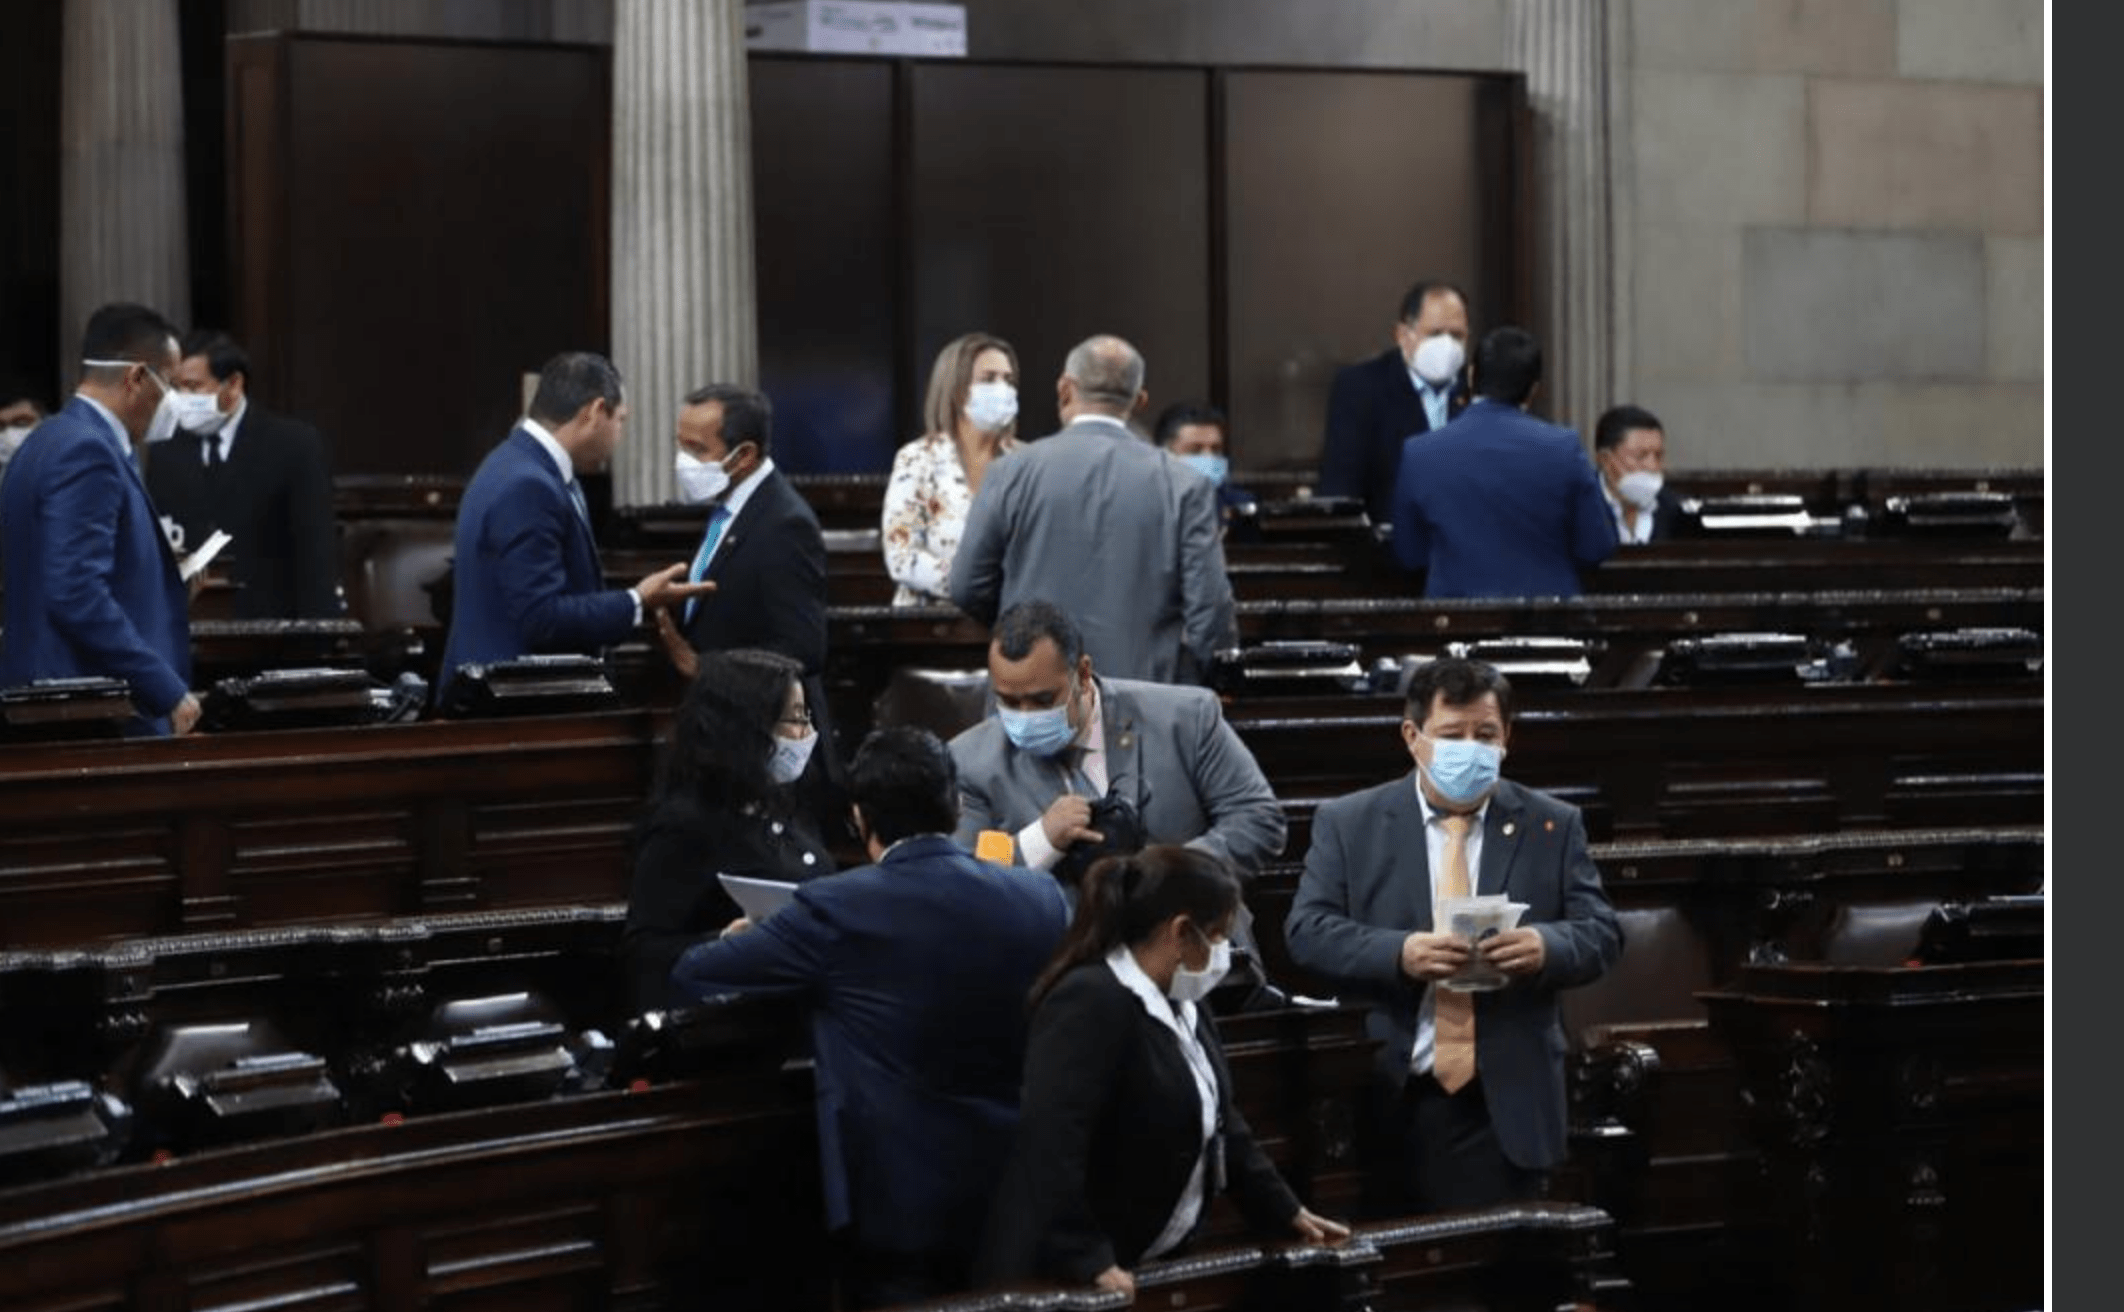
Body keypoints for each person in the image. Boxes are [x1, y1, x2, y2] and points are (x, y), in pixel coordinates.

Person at [668, 725, 1070, 1309]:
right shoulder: (1038, 897)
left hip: (900, 1200)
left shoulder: (834, 906)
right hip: (1016, 1186)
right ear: (955, 803)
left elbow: (695, 972)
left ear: (859, 818)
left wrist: (751, 934)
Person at [1282, 656, 1622, 1215]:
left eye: (1485, 734)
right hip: (1389, 1092)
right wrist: (1400, 952)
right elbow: (1307, 931)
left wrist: (1547, 947)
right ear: (1413, 736)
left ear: (1508, 737)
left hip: (1504, 1100)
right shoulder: (1351, 822)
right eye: (1452, 734)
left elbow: (1602, 934)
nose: (1471, 747)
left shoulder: (1552, 824)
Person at [975, 845, 1349, 1297]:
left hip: (1145, 1260)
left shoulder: (1185, 1000)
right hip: (1064, 1275)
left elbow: (1222, 1120)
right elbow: (1052, 1141)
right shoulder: (1089, 1000)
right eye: (1218, 935)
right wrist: (1087, 1257)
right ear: (1180, 932)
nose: (1224, 953)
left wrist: (1286, 1210)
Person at [950, 334, 1236, 686]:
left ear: (1065, 389)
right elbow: (1209, 609)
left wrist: (1022, 625)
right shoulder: (1183, 484)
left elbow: (967, 586)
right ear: (1140, 400)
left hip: (1035, 693)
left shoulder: (1009, 472)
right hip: (1146, 697)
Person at [947, 599, 1284, 887]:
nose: (1024, 715)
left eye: (1043, 700)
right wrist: (1040, 839)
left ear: (1082, 673)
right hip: (1061, 953)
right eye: (1007, 701)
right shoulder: (971, 760)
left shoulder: (1186, 719)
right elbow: (969, 862)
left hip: (1183, 934)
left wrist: (1165, 875)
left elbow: (1256, 818)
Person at [437, 351, 709, 705]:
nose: (620, 434)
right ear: (596, 412)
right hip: (511, 709)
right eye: (621, 420)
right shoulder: (528, 484)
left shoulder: (516, 463)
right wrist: (636, 600)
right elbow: (541, 618)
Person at [0, 302, 200, 736]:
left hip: (56, 702)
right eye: (170, 382)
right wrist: (165, 688)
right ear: (135, 378)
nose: (177, 403)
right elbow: (75, 591)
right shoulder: (87, 451)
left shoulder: (47, 438)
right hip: (88, 713)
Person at [622, 647, 838, 1015]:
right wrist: (724, 941)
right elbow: (642, 953)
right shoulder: (685, 825)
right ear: (748, 727)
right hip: (734, 1017)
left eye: (808, 717)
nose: (808, 733)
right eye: (796, 719)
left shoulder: (786, 803)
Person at [1388, 326, 1620, 598]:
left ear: (1472, 375)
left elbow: (1409, 554)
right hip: (1547, 624)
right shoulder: (1563, 448)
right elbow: (1597, 546)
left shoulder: (1420, 453)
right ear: (1534, 389)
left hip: (1455, 623)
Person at [145, 330, 344, 619]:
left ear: (234, 384)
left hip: (271, 630)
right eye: (175, 388)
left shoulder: (293, 446)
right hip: (193, 629)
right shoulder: (166, 451)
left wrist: (320, 642)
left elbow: (316, 558)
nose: (180, 400)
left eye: (193, 387)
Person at [881, 332, 1024, 607]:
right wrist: (976, 584)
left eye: (1008, 380)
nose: (1002, 388)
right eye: (988, 379)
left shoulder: (1026, 461)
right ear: (956, 390)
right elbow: (901, 556)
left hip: (1011, 621)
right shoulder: (917, 459)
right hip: (931, 625)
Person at [1317, 279, 1472, 526]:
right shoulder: (1361, 388)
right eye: (1435, 333)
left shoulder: (1477, 390)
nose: (1447, 345)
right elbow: (1341, 490)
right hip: (1388, 553)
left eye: (1457, 335)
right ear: (1403, 335)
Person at [1152, 400, 1258, 526]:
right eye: (1194, 450)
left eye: (1216, 449)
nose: (1209, 458)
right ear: (1165, 454)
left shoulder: (1240, 506)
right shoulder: (1146, 506)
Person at [1592, 404, 1684, 544]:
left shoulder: (1675, 511)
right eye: (1640, 456)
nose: (1653, 466)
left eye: (1658, 456)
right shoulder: (1578, 509)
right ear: (1606, 460)